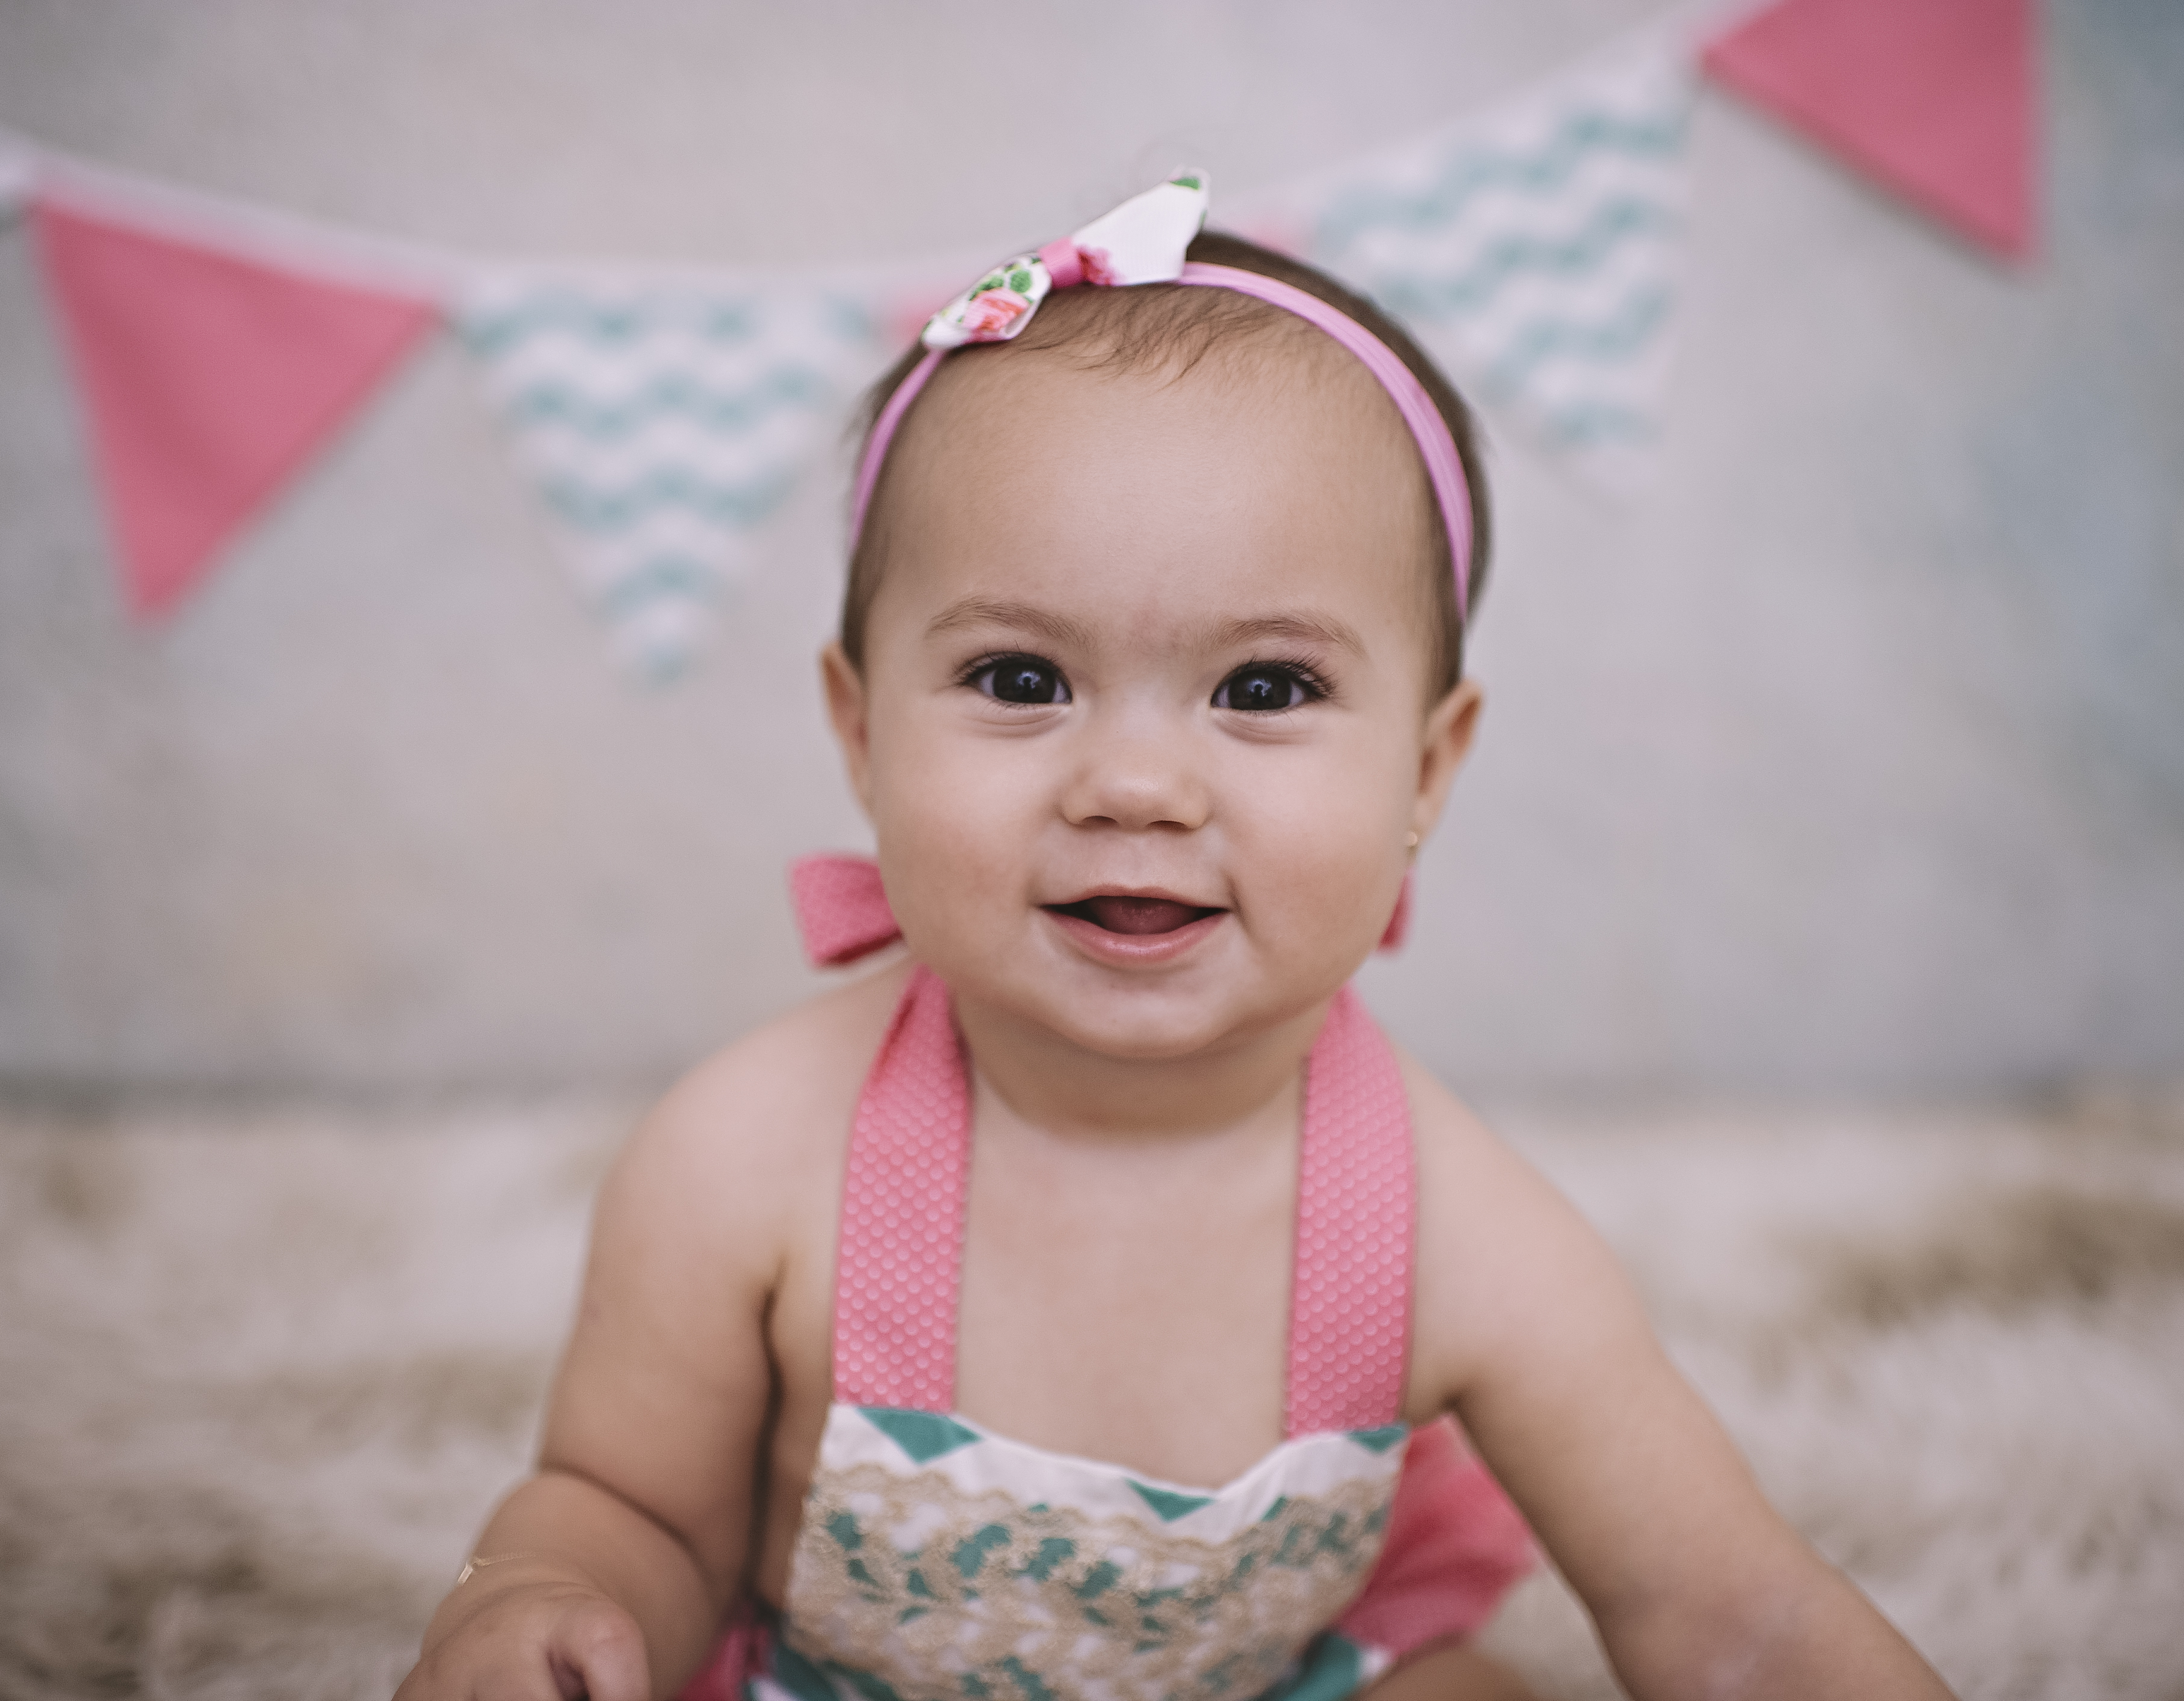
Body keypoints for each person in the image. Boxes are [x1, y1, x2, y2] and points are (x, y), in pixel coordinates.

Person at [397, 178, 1953, 1701]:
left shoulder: (1465, 1237)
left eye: (1264, 690)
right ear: (862, 737)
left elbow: (1732, 1618)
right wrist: (545, 1595)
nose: (1135, 785)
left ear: (1425, 772)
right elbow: (634, 1507)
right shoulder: (744, 1157)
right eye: (1019, 680)